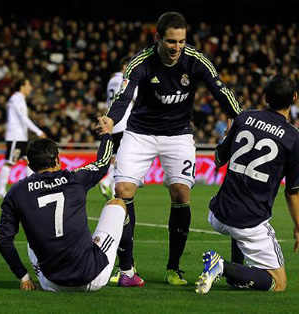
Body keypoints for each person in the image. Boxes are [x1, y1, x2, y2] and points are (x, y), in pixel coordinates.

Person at [97, 12, 241, 287]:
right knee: (122, 192)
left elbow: (219, 88)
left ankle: (174, 268)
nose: (177, 48)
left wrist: (239, 117)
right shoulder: (141, 61)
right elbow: (124, 95)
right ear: (158, 38)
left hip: (178, 134)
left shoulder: (195, 60)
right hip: (140, 133)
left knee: (181, 192)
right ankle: (127, 268)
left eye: (182, 41)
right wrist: (111, 119)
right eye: (171, 41)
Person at [195, 75, 299, 294]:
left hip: (218, 214)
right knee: (278, 282)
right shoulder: (294, 139)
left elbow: (218, 159)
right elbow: (292, 191)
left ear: (265, 97)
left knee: (239, 223)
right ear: (294, 98)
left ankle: (236, 276)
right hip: (249, 222)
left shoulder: (244, 118)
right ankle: (222, 266)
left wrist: (227, 137)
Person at [0, 128, 128, 292]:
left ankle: (33, 276)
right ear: (58, 159)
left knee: (32, 244)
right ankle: (128, 270)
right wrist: (107, 134)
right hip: (93, 276)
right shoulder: (74, 179)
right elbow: (103, 163)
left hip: (52, 284)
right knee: (118, 203)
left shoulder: (16, 192)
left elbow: (3, 240)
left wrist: (23, 277)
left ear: (30, 164)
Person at [0, 78, 46, 199]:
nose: (31, 88)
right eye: (28, 85)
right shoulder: (16, 99)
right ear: (22, 87)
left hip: (21, 137)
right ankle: (1, 190)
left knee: (29, 161)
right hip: (15, 137)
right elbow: (23, 118)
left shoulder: (20, 99)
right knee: (9, 162)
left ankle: (31, 188)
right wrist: (38, 131)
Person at [98, 56, 137, 201]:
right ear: (125, 66)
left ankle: (112, 186)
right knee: (125, 157)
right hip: (125, 122)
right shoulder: (125, 80)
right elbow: (135, 97)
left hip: (112, 123)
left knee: (115, 157)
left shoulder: (111, 80)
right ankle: (107, 181)